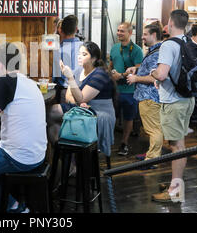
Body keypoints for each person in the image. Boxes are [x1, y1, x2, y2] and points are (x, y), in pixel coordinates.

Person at [0, 43, 47, 213]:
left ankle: (15, 207)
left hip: (18, 158)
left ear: (0, 64)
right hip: (38, 155)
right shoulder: (29, 83)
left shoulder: (4, 82)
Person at [150, 9, 195, 203]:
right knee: (180, 144)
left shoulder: (169, 44)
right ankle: (175, 183)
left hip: (173, 101)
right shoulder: (189, 41)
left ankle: (175, 191)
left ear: (169, 23)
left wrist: (153, 72)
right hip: (187, 99)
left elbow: (161, 74)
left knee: (176, 146)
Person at [47, 41, 116, 158]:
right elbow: (69, 97)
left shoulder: (100, 74)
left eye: (84, 54)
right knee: (51, 118)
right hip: (82, 109)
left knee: (52, 112)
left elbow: (81, 98)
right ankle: (69, 160)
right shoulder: (79, 71)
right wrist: (79, 101)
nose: (79, 56)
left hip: (98, 114)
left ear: (93, 59)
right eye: (79, 53)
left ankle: (72, 160)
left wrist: (69, 77)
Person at [126, 22, 163, 168]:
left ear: (154, 35)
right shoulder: (156, 50)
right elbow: (149, 69)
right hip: (148, 97)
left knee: (153, 129)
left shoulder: (158, 52)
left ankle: (152, 159)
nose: (142, 37)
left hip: (150, 97)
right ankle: (151, 154)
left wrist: (136, 78)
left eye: (145, 34)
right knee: (153, 128)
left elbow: (155, 77)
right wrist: (137, 69)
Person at [109, 22, 144, 156]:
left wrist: (121, 75)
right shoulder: (114, 48)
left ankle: (124, 143)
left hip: (130, 91)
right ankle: (108, 141)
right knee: (112, 116)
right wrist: (112, 73)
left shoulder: (136, 50)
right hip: (115, 89)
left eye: (122, 31)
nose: (118, 33)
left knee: (128, 118)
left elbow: (138, 69)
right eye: (118, 30)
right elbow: (111, 64)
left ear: (130, 33)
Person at [52, 15, 83, 104]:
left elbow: (55, 76)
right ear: (76, 29)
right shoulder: (85, 47)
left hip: (65, 92)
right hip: (84, 90)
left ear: (60, 30)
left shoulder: (57, 51)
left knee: (67, 116)